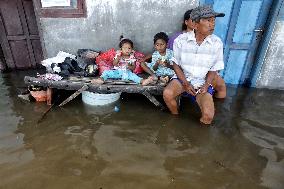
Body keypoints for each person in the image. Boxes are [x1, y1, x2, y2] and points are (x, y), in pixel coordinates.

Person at [163, 5, 227, 125]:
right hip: (183, 78)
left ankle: (199, 140)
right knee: (167, 94)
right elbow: (176, 64)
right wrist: (185, 83)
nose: (212, 24)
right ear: (196, 24)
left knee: (208, 116)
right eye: (208, 20)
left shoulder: (216, 43)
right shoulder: (181, 41)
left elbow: (214, 68)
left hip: (202, 81)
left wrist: (206, 85)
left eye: (214, 21)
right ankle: (175, 117)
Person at [92, 36, 156, 85]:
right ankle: (100, 79)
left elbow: (133, 67)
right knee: (106, 72)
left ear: (131, 49)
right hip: (117, 72)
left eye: (129, 48)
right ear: (121, 49)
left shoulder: (132, 57)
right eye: (125, 48)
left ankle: (143, 81)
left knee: (134, 77)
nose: (127, 50)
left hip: (127, 73)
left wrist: (129, 66)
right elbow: (114, 64)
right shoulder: (118, 55)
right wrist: (118, 59)